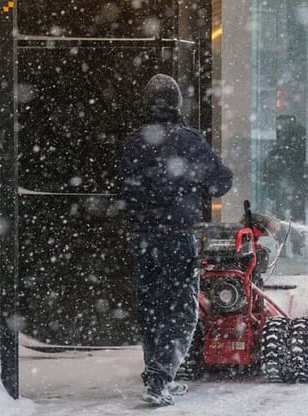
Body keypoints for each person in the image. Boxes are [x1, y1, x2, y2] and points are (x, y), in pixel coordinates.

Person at [117, 74, 233, 407]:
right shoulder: (188, 141)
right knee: (181, 311)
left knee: (151, 307)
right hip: (177, 236)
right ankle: (160, 379)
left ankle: (156, 373)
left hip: (142, 238)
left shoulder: (133, 143)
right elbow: (221, 181)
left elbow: (123, 190)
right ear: (177, 104)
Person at [262, 115, 308, 255]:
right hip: (292, 184)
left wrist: (270, 183)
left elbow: (270, 167)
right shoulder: (296, 144)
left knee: (283, 216)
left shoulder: (280, 149)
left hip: (287, 184)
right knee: (294, 216)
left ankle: (285, 246)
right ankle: (293, 245)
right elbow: (302, 166)